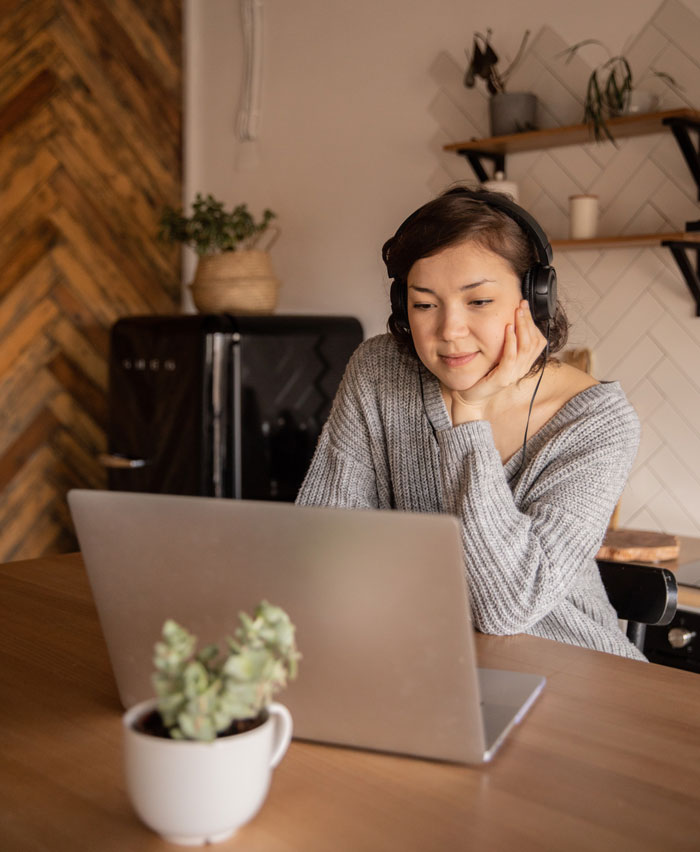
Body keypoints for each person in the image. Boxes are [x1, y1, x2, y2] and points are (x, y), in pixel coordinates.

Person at [296, 186, 644, 661]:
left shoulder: (598, 422)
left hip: (573, 669)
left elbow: (506, 607)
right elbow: (321, 547)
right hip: (422, 660)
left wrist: (469, 417)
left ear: (534, 300)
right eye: (424, 305)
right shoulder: (379, 370)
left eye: (478, 301)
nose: (449, 330)